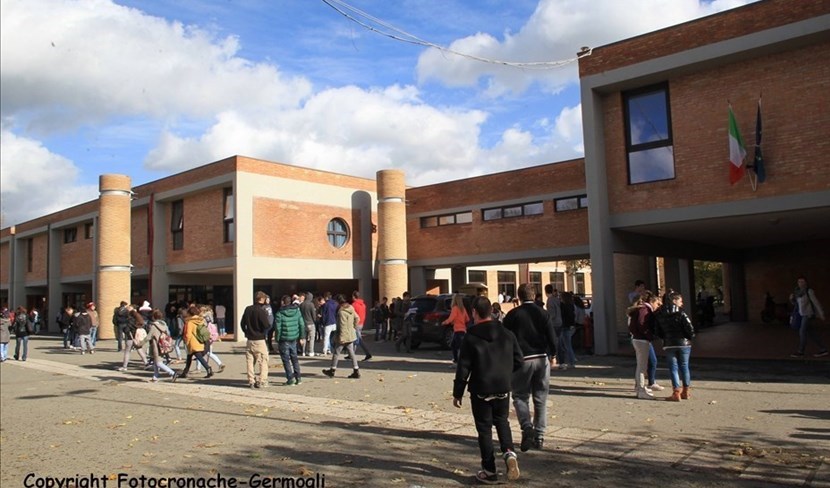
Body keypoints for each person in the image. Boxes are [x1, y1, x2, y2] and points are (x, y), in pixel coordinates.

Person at [453, 295, 523, 484]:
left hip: (481, 387)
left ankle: (489, 470)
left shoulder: (471, 336)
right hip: (502, 385)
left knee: (484, 429)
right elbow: (519, 360)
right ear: (492, 311)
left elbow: (464, 367)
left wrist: (457, 392)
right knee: (502, 421)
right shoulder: (507, 333)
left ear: (474, 312)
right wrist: (506, 373)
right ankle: (509, 453)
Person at [503, 283, 558, 452]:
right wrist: (553, 354)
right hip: (541, 358)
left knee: (520, 396)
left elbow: (505, 338)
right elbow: (551, 336)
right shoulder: (543, 313)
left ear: (519, 297)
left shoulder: (512, 315)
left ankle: (527, 427)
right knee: (541, 397)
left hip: (521, 359)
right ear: (534, 296)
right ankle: (540, 436)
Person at [654, 291, 695, 401]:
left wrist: (665, 337)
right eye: (680, 300)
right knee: (684, 367)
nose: (682, 303)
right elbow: (690, 328)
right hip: (684, 344)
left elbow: (657, 330)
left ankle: (676, 392)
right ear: (674, 300)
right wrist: (688, 337)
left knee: (673, 368)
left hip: (669, 344)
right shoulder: (681, 313)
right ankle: (686, 391)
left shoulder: (659, 313)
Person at [629, 291, 660, 400]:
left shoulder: (641, 309)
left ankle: (640, 388)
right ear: (651, 302)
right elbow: (642, 324)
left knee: (641, 366)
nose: (657, 306)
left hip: (638, 339)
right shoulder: (645, 310)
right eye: (657, 303)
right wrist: (648, 335)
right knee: (642, 367)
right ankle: (641, 390)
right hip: (641, 340)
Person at [322, 294, 361, 379]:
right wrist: (353, 327)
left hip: (343, 335)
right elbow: (357, 318)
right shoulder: (351, 308)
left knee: (336, 353)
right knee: (352, 353)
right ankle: (356, 370)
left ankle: (332, 370)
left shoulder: (341, 312)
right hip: (350, 334)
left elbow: (342, 326)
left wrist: (341, 338)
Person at [790, 277, 827, 358]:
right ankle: (823, 349)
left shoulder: (809, 291)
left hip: (808, 314)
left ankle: (801, 351)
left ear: (806, 282)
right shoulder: (797, 292)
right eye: (799, 281)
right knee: (812, 333)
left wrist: (821, 314)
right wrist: (792, 300)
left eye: (802, 281)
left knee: (802, 331)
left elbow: (816, 302)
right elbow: (797, 305)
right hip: (801, 314)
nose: (800, 283)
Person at [241, 291, 271, 388]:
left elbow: (242, 323)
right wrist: (263, 332)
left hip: (250, 339)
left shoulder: (248, 309)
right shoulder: (261, 311)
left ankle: (251, 380)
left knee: (250, 361)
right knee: (263, 360)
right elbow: (267, 325)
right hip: (259, 339)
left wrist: (246, 332)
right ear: (262, 299)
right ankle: (262, 380)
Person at [275, 295, 303, 386]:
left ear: (283, 302)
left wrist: (277, 338)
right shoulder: (297, 311)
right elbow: (301, 324)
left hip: (284, 339)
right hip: (294, 337)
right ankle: (298, 377)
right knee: (294, 358)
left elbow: (278, 328)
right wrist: (302, 336)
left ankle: (290, 378)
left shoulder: (279, 313)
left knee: (286, 359)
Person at [179, 305, 213, 379]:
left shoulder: (190, 322)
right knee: (189, 358)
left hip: (193, 343)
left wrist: (186, 342)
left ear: (190, 314)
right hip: (199, 342)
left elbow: (188, 334)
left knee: (198, 357)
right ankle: (185, 372)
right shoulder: (199, 320)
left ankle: (208, 368)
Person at [146, 309, 179, 382]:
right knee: (156, 362)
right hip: (162, 345)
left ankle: (172, 373)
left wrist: (139, 344)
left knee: (158, 362)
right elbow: (168, 333)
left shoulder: (154, 326)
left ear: (153, 317)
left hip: (156, 346)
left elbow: (148, 337)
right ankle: (155, 377)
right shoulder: (164, 324)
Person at [118, 307, 149, 372]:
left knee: (127, 352)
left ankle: (125, 366)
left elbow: (127, 330)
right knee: (140, 350)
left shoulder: (130, 320)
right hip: (137, 338)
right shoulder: (139, 321)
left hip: (130, 338)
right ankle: (146, 363)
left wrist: (125, 329)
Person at [443, 294, 470, 364]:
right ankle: (457, 359)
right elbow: (467, 319)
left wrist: (445, 322)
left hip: (458, 330)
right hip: (462, 330)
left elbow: (451, 318)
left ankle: (458, 360)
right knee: (457, 345)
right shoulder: (463, 309)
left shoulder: (455, 308)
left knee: (456, 346)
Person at [351, 291, 373, 361]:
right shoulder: (363, 305)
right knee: (356, 338)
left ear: (353, 297)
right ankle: (351, 354)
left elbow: (352, 315)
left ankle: (367, 353)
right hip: (361, 323)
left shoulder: (354, 305)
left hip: (356, 323)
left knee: (358, 339)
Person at [558, 292, 577, 370]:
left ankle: (563, 362)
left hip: (562, 325)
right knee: (568, 345)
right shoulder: (571, 305)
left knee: (561, 345)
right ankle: (572, 361)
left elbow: (561, 315)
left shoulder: (562, 306)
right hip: (569, 326)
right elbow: (572, 315)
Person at [299, 292, 317, 357]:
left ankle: (303, 351)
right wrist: (315, 320)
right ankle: (311, 351)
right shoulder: (311, 304)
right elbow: (313, 315)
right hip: (311, 323)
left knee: (304, 338)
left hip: (303, 323)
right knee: (312, 338)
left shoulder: (301, 305)